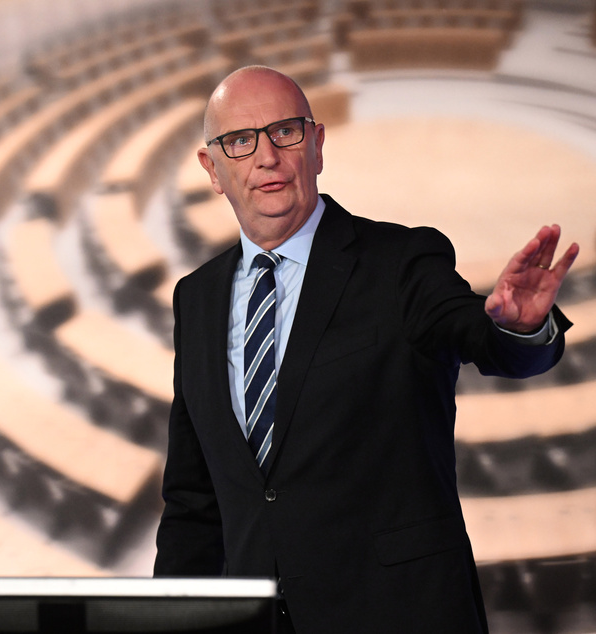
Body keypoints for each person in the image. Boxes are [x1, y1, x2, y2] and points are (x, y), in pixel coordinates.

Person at [153, 66, 579, 633]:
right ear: (213, 168)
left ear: (318, 144)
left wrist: (517, 328)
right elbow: (194, 499)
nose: (266, 158)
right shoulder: (196, 298)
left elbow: (475, 334)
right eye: (240, 141)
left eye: (286, 132)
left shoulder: (401, 262)